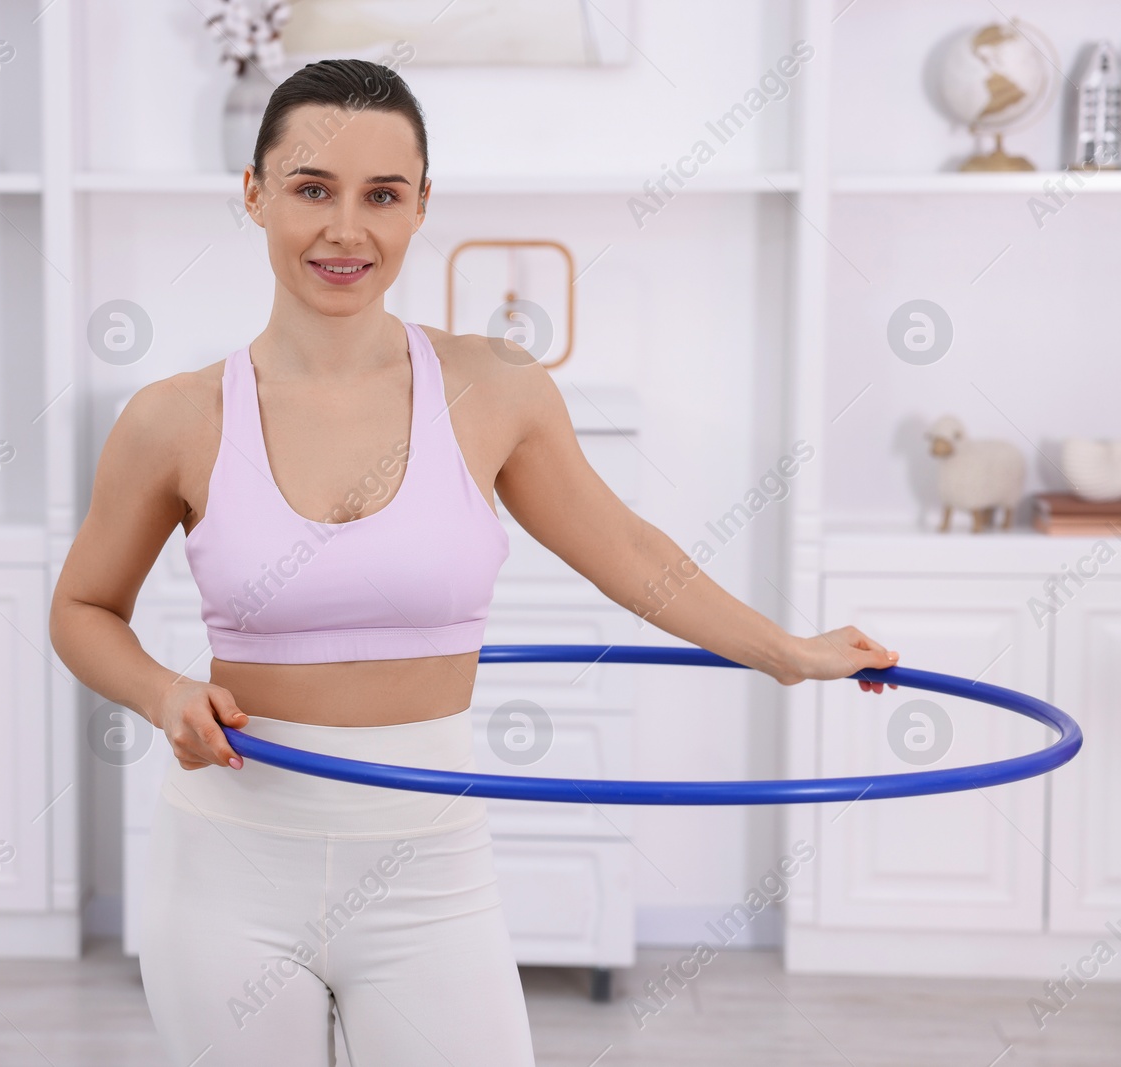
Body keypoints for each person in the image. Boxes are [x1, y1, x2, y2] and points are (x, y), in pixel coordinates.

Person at [49, 57, 899, 1067]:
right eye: (311, 189)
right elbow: (83, 607)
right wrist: (161, 692)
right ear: (254, 194)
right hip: (228, 863)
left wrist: (785, 651)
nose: (344, 230)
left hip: (427, 869)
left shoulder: (493, 387)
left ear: (420, 208)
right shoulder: (175, 417)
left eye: (382, 195)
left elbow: (629, 551)